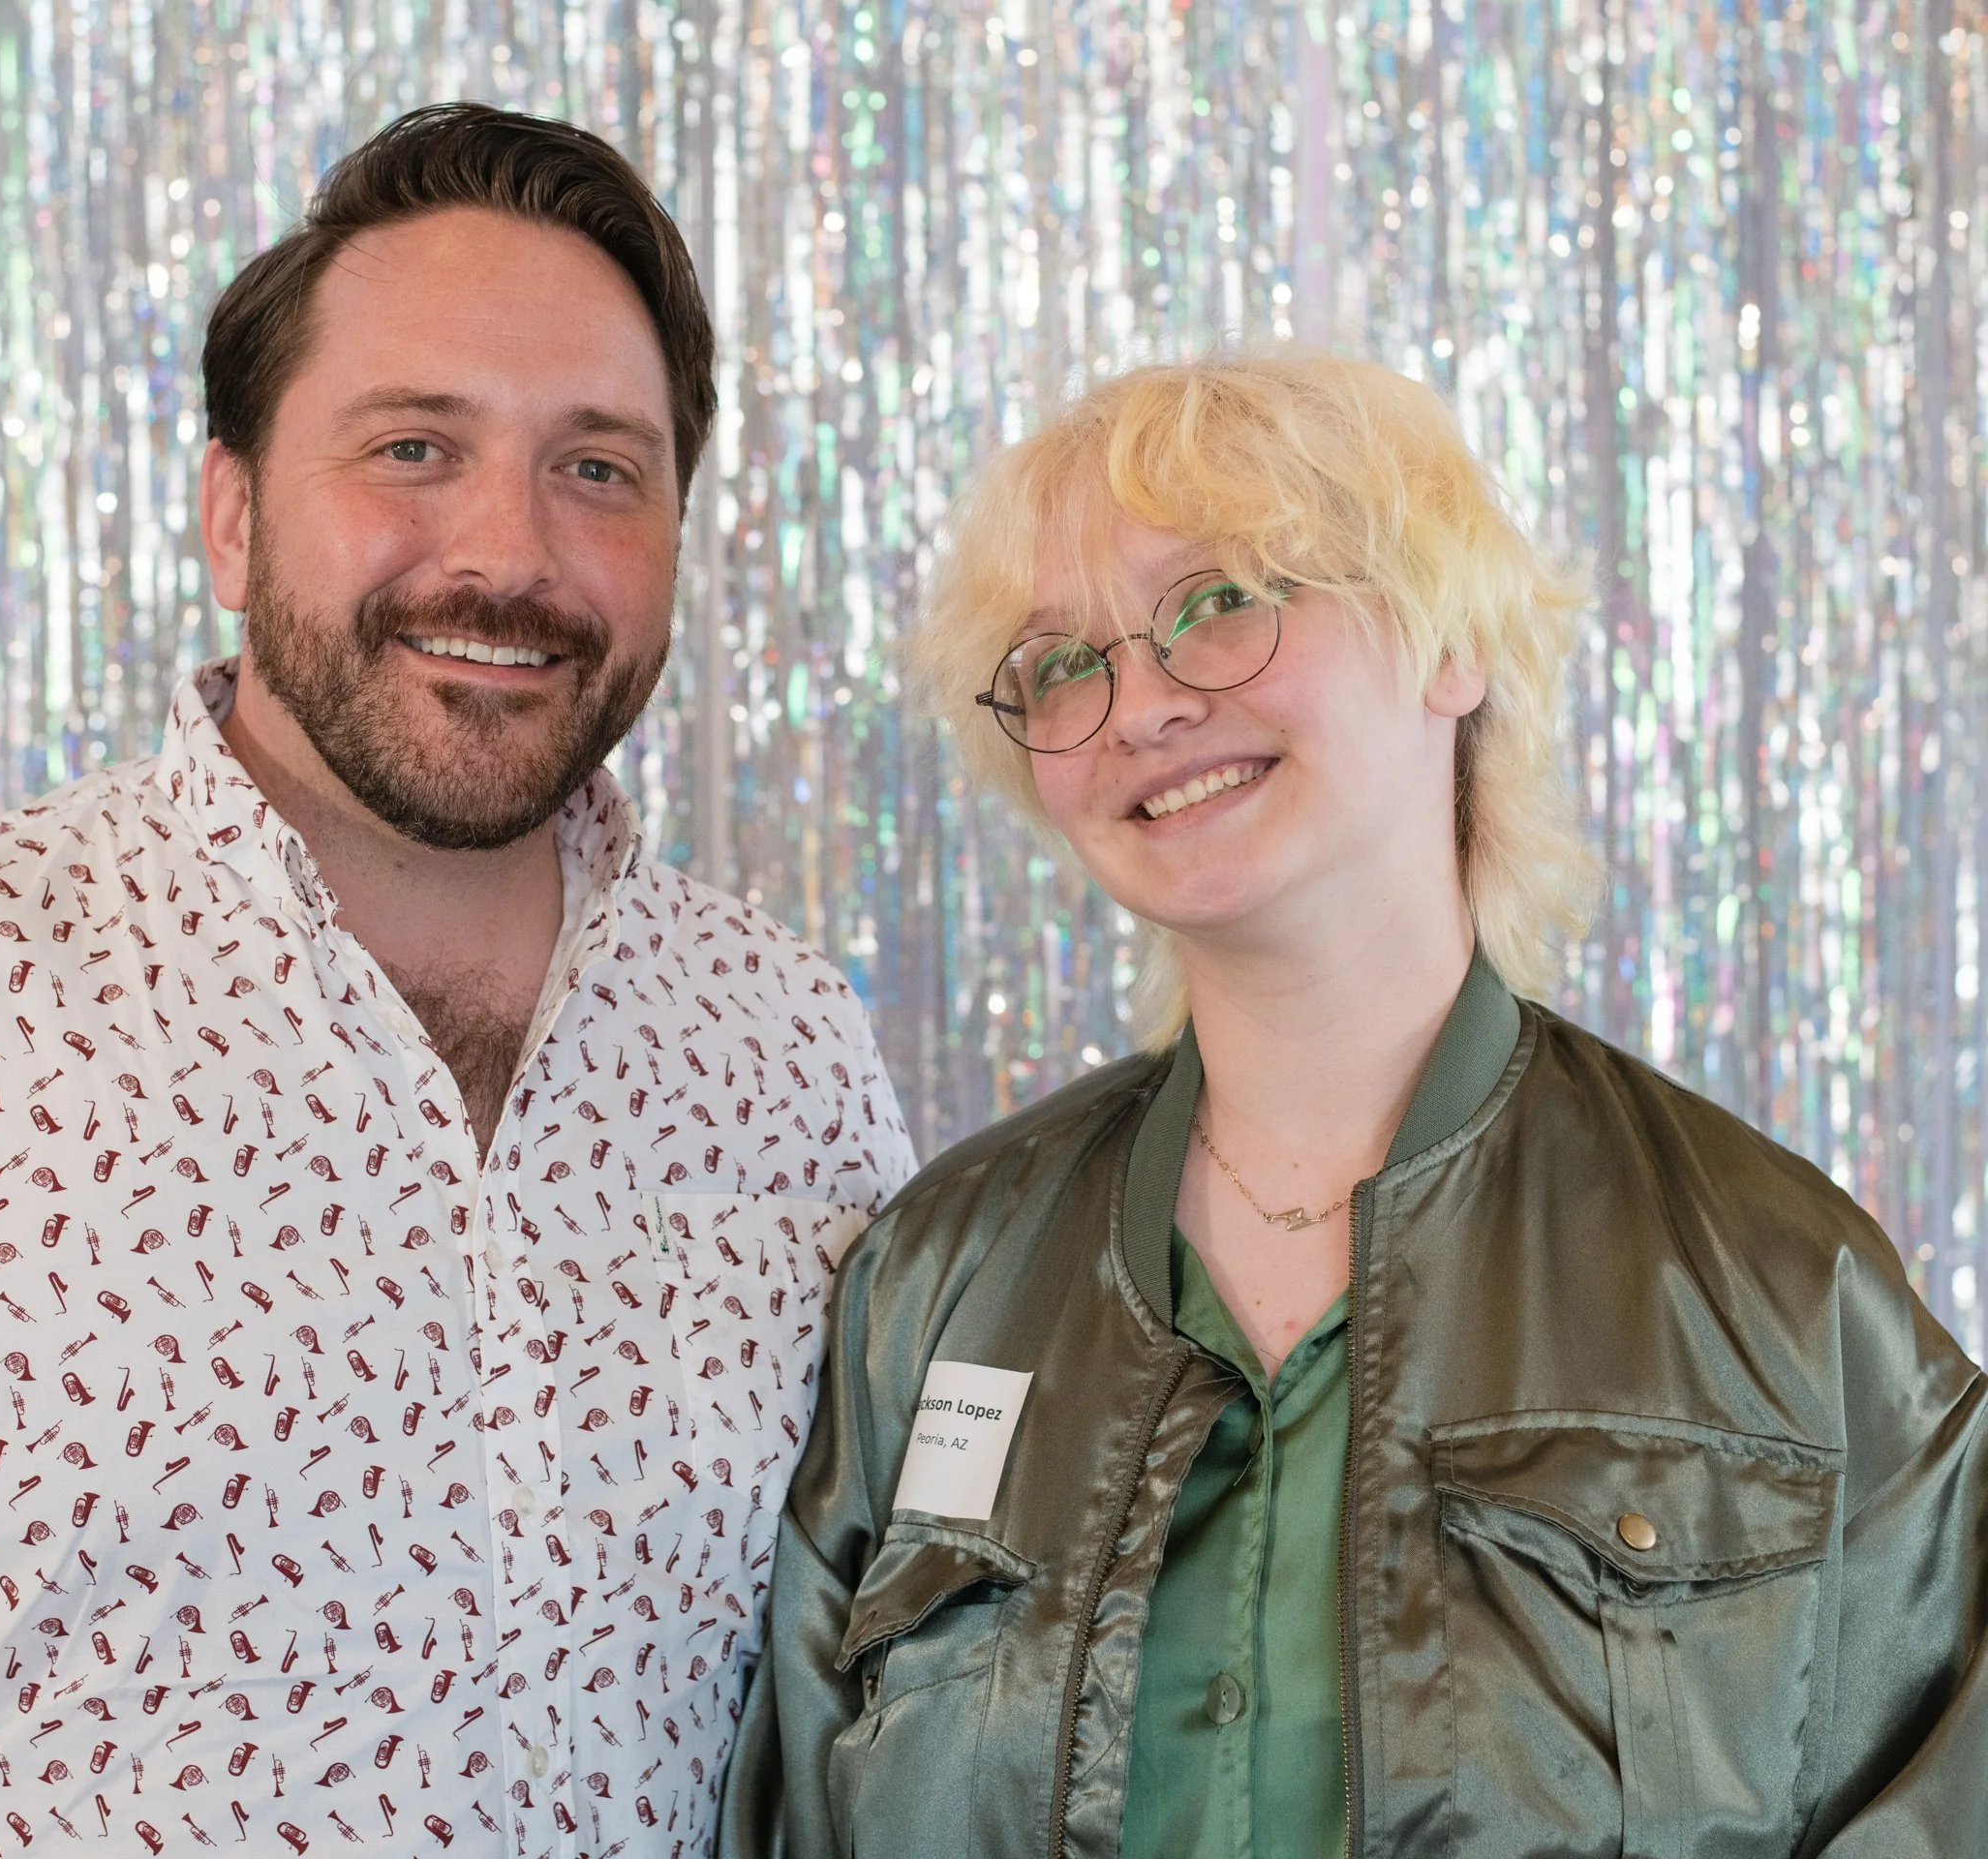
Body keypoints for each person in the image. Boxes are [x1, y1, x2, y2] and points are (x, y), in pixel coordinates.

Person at [0, 104, 913, 1859]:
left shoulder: (786, 1044)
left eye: (598, 468)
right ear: (232, 515)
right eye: (413, 447)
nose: (509, 553)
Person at [719, 350, 1988, 1858]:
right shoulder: (931, 1288)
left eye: (1218, 602)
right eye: (1062, 663)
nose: (1138, 706)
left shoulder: (1782, 1290)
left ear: (1452, 643)